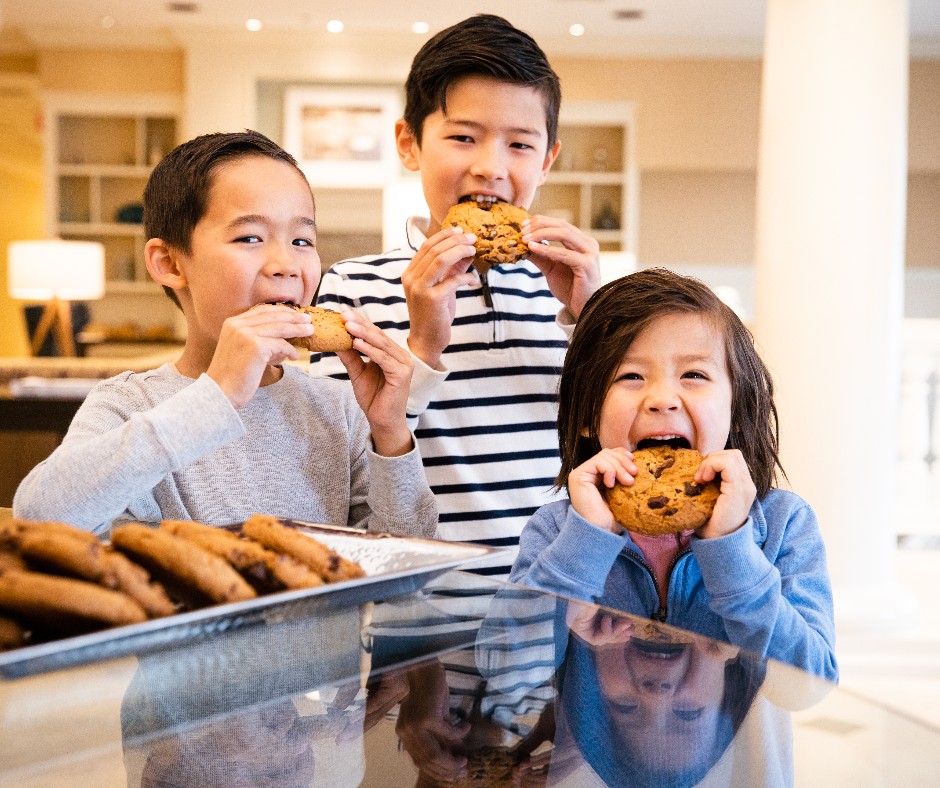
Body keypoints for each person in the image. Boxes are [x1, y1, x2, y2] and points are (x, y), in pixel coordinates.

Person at [13, 130, 437, 539]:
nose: (285, 263)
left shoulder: (339, 409)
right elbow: (40, 517)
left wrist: (391, 433)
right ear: (171, 264)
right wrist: (217, 394)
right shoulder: (130, 404)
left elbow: (408, 566)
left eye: (302, 240)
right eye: (249, 237)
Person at [311, 14, 602, 575]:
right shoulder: (352, 289)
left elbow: (619, 446)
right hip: (417, 607)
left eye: (520, 144)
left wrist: (594, 321)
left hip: (555, 603)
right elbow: (345, 478)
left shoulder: (576, 292)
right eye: (463, 137)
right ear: (409, 143)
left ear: (547, 160)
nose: (490, 166)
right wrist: (421, 346)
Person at [509, 268, 838, 680]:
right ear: (586, 415)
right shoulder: (558, 530)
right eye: (630, 376)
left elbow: (811, 682)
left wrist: (731, 547)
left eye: (694, 375)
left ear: (736, 405)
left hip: (738, 746)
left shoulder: (783, 525)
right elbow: (504, 667)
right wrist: (585, 543)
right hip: (594, 745)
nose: (662, 399)